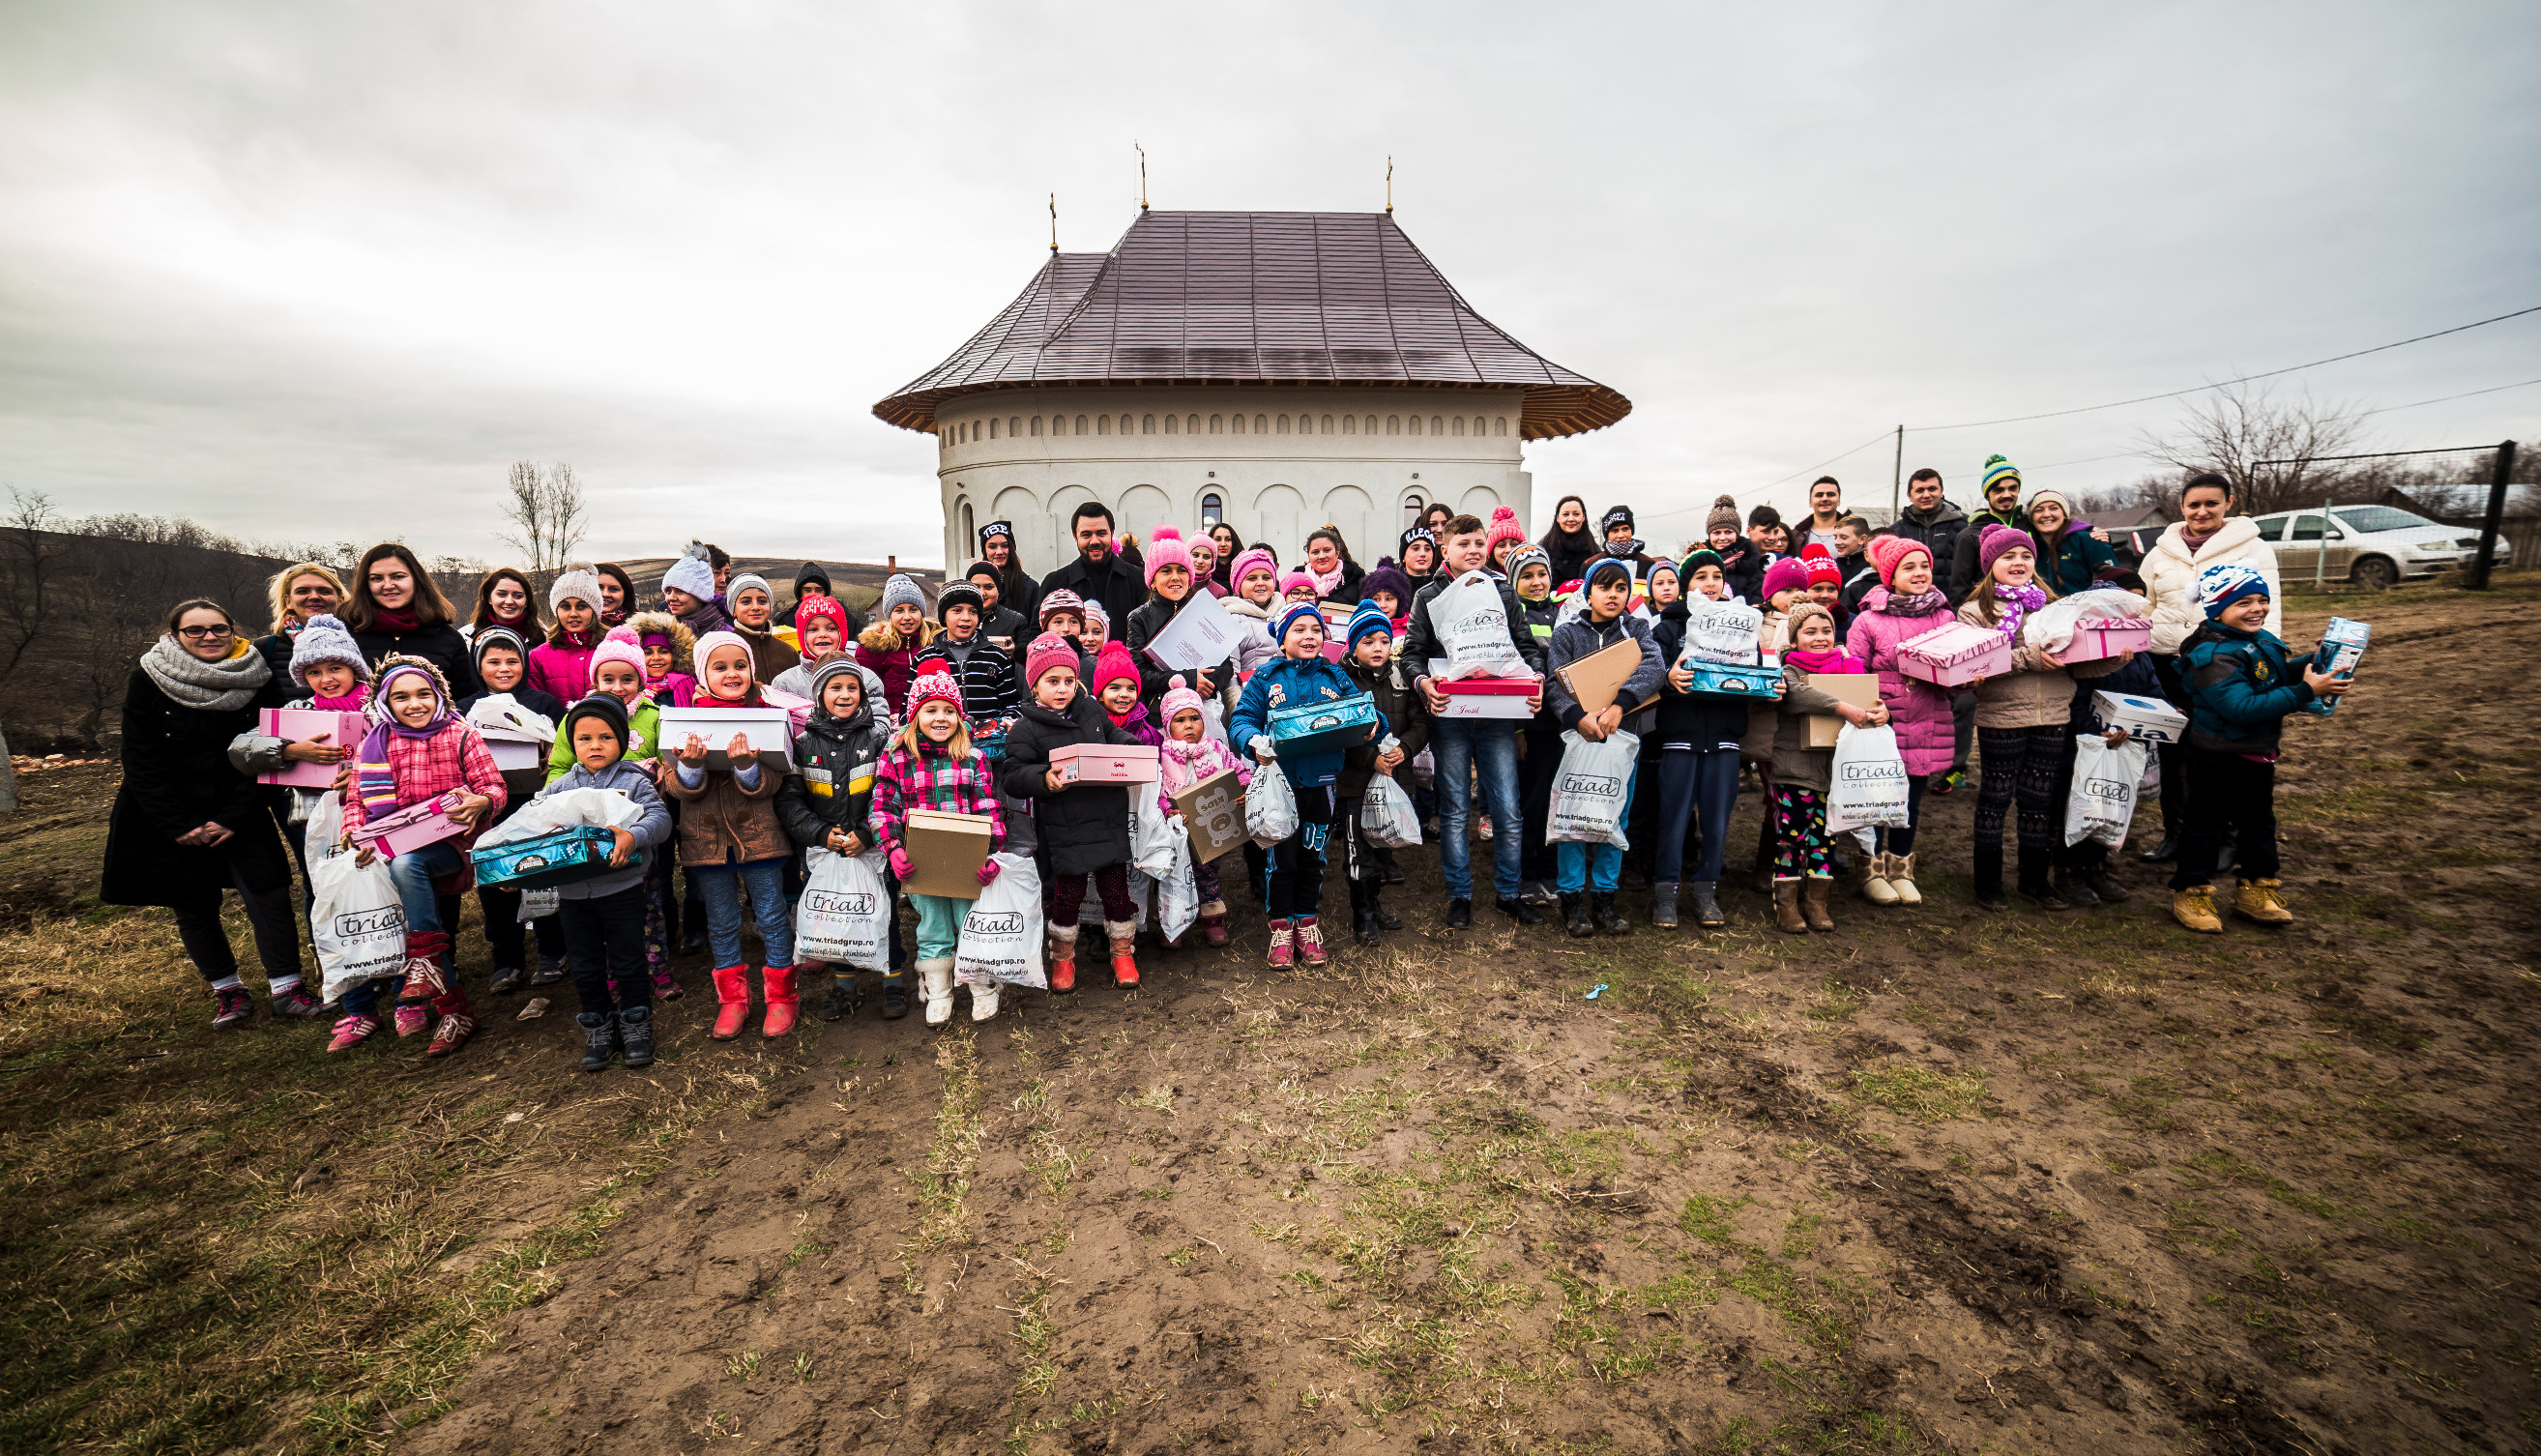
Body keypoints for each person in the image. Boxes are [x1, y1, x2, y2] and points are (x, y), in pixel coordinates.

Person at [107, 597, 308, 1027]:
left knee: (268, 893)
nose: (209, 637)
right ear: (176, 635)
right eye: (195, 630)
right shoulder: (149, 678)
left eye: (218, 628)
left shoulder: (256, 674)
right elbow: (141, 758)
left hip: (240, 803)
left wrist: (234, 816)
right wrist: (179, 823)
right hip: (169, 811)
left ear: (231, 630)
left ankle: (288, 988)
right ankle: (228, 992)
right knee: (193, 903)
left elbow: (270, 745)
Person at [339, 656, 506, 1056]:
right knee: (409, 882)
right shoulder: (375, 743)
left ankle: (430, 974)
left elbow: (494, 787)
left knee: (406, 865)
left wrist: (480, 801)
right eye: (401, 697)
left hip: (453, 846)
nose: (414, 704)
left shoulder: (461, 735)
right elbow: (356, 800)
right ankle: (453, 1008)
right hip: (395, 845)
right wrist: (352, 831)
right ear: (385, 703)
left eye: (422, 694)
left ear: (437, 695)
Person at [1957, 524, 2128, 912]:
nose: (2018, 563)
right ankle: (1988, 882)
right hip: (2002, 716)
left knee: (2039, 801)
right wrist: (2028, 658)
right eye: (2008, 557)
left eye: (2026, 556)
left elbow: (2073, 665)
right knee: (1996, 799)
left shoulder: (2056, 605)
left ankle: (2034, 881)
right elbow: (1975, 664)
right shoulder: (1975, 612)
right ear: (1990, 565)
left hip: (2053, 714)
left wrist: (2106, 658)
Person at [2168, 563, 2347, 932]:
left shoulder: (2260, 640)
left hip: (2257, 753)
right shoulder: (2212, 656)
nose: (2257, 608)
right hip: (2216, 757)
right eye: (2243, 602)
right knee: (2205, 827)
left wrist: (2315, 664)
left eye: (2262, 599)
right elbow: (2241, 708)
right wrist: (2305, 692)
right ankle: (2191, 891)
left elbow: (2274, 676)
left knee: (2258, 825)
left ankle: (2255, 889)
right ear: (2217, 609)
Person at [1401, 514, 1549, 928]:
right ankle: (1460, 896)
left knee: (1507, 807)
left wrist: (1536, 678)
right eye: (1463, 543)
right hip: (1451, 715)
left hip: (1498, 714)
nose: (1473, 550)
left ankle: (1508, 893)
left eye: (1479, 542)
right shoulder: (1429, 595)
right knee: (1453, 810)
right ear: (1444, 549)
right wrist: (1421, 681)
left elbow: (1526, 647)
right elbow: (1412, 652)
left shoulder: (1502, 591)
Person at [2139, 472, 2281, 864]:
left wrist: (2263, 665)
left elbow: (2268, 613)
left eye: (2211, 504)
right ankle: (2177, 834)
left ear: (2228, 503)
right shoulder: (2160, 551)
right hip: (2165, 664)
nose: (2202, 511)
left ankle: (2227, 838)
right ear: (2182, 508)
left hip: (2224, 665)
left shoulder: (2252, 548)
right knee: (2172, 751)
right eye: (2193, 505)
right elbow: (2145, 605)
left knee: (2222, 751)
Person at [666, 631, 802, 1040]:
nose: (732, 674)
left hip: (760, 838)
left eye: (740, 666)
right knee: (721, 921)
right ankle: (733, 1001)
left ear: (753, 671)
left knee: (772, 916)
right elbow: (675, 785)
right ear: (703, 673)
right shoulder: (683, 721)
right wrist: (691, 768)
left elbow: (776, 780)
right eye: (720, 667)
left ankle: (781, 997)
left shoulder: (768, 715)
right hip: (706, 841)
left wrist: (747, 769)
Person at [534, 694, 672, 1072]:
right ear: (572, 743)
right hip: (573, 893)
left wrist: (633, 835)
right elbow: (531, 825)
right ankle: (598, 1026)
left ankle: (636, 1023)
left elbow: (660, 820)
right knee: (585, 963)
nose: (595, 745)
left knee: (628, 959)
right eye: (585, 738)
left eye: (606, 737)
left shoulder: (634, 781)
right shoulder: (558, 788)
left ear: (623, 741)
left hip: (622, 888)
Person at [1230, 601, 1370, 966]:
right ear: (1281, 638)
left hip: (1322, 785)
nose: (1309, 636)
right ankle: (1281, 927)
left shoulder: (1335, 676)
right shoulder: (1265, 677)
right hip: (1281, 787)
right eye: (1299, 629)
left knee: (1313, 857)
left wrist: (1375, 726)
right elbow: (1241, 719)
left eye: (1315, 630)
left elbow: (1363, 712)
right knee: (1281, 860)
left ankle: (1307, 922)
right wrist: (1254, 742)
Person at [1003, 633, 1144, 993]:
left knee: (1116, 887)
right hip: (1064, 823)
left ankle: (1122, 951)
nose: (1062, 688)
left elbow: (1113, 736)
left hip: (1106, 812)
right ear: (1034, 685)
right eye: (1052, 681)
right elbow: (1014, 776)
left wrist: (1131, 749)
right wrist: (1044, 779)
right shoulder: (1025, 729)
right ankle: (1062, 957)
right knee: (1068, 893)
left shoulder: (1092, 710)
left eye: (1069, 680)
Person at [871, 668, 1008, 1024]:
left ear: (959, 717)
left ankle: (982, 985)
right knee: (932, 924)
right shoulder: (897, 756)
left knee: (970, 921)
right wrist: (893, 848)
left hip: (967, 861)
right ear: (915, 716)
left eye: (948, 710)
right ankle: (939, 990)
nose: (940, 718)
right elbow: (883, 806)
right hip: (921, 860)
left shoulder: (973, 759)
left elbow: (988, 808)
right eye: (931, 710)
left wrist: (992, 853)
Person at [556, 626, 684, 1001]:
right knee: (604, 910)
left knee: (648, 907)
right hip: (592, 841)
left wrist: (662, 770)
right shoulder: (574, 721)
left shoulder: (652, 717)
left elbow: (668, 765)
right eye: (607, 678)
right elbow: (557, 771)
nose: (618, 685)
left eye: (627, 678)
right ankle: (615, 974)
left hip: (640, 841)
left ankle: (657, 969)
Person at [776, 654, 905, 1020]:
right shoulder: (802, 745)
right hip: (825, 852)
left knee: (886, 914)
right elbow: (790, 801)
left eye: (853, 687)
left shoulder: (879, 739)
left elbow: (890, 792)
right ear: (819, 695)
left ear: (864, 695)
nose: (845, 694)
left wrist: (867, 833)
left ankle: (893, 980)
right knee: (835, 919)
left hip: (873, 850)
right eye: (836, 687)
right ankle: (844, 984)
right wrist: (819, 833)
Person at [1544, 559, 1662, 935]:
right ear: (1589, 592)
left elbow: (1653, 667)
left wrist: (1619, 706)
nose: (1612, 595)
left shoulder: (1637, 629)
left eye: (1621, 588)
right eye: (1604, 587)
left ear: (1629, 594)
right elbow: (1553, 683)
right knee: (1573, 816)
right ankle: (1572, 901)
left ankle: (1606, 899)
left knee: (1615, 816)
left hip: (1623, 739)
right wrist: (1576, 716)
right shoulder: (1567, 634)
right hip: (1577, 739)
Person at [227, 610, 370, 913]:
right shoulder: (297, 711)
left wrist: (360, 774)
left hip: (373, 815)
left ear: (354, 668)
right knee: (322, 886)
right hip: (314, 822)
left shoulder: (380, 708)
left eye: (335, 668)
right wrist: (290, 750)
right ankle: (327, 953)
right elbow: (240, 748)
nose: (326, 679)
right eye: (314, 672)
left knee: (374, 881)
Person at [1844, 537, 1955, 907]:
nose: (1919, 573)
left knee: (1911, 800)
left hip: (1928, 721)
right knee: (1876, 798)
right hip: (1883, 724)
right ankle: (1872, 870)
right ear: (1890, 575)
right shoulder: (1868, 620)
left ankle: (1901, 869)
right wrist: (1883, 706)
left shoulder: (1945, 616)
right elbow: (1856, 675)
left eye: (1924, 565)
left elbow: (1954, 671)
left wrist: (1969, 676)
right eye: (1909, 567)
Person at [461, 626, 569, 994]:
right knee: (495, 881)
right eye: (493, 661)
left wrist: (550, 757)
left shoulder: (543, 704)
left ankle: (553, 950)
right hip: (488, 810)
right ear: (479, 666)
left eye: (512, 660)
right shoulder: (464, 709)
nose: (504, 668)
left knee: (542, 874)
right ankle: (506, 959)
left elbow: (562, 750)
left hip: (535, 804)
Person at [1648, 550, 1749, 929]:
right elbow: (1650, 674)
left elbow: (1751, 673)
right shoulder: (1668, 628)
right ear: (1685, 585)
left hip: (1724, 738)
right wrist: (1667, 680)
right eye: (1700, 577)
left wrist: (1769, 684)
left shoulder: (1741, 626)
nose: (1710, 583)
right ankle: (1666, 892)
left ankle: (1706, 891)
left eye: (1716, 576)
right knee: (1673, 819)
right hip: (1680, 737)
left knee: (1717, 821)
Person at [1768, 602, 1884, 933]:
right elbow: (1798, 695)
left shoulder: (1849, 669)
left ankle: (1817, 903)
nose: (1820, 637)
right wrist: (1843, 707)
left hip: (1835, 771)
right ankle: (1786, 904)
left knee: (1825, 837)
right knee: (1792, 837)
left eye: (1827, 631)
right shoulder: (1787, 670)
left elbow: (1869, 701)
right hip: (1796, 770)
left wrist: (1881, 712)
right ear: (1794, 638)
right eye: (1810, 632)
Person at [1333, 601, 1423, 946]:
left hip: (1395, 779)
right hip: (1355, 783)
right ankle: (1364, 915)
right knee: (1360, 852)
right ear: (1353, 646)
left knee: (1385, 844)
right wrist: (1371, 759)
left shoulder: (1401, 678)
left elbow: (1421, 722)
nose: (1377, 648)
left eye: (1384, 641)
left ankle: (1376, 904)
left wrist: (1406, 748)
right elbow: (1338, 732)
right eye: (1368, 641)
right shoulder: (1341, 682)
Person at [1886, 469, 1976, 796]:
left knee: (1961, 699)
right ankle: (1911, 762)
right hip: (1906, 618)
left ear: (1942, 491)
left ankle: (1956, 766)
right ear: (1910, 494)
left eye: (1932, 488)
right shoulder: (1899, 530)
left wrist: (1958, 608)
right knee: (1915, 695)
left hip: (1951, 616)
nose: (1926, 494)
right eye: (1919, 489)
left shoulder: (1961, 527)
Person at [1154, 675, 1250, 946]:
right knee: (1175, 876)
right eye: (1180, 720)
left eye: (1194, 719)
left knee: (1208, 874)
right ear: (1167, 724)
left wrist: (1242, 788)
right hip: (1177, 830)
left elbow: (1238, 771)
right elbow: (1157, 794)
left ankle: (1212, 921)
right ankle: (1175, 925)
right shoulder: (1164, 756)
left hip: (1210, 829)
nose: (1188, 726)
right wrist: (1168, 813)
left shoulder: (1216, 749)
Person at [1505, 544, 1564, 905]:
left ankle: (1550, 870)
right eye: (1527, 575)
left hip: (1563, 723)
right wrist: (1516, 729)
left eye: (1541, 573)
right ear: (1514, 582)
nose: (1536, 581)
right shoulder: (1513, 616)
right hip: (1530, 726)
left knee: (1557, 799)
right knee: (1530, 801)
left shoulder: (1564, 613)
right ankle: (1526, 874)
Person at [344, 543, 476, 696]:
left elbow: (465, 698)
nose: (387, 585)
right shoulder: (346, 635)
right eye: (376, 578)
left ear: (416, 580)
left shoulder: (447, 638)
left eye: (398, 576)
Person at [1124, 527, 1233, 706]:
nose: (1175, 577)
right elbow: (1138, 674)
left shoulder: (1203, 610)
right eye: (1166, 571)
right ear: (1152, 579)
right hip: (1159, 712)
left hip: (1203, 707)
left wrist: (1206, 683)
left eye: (1182, 571)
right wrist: (1188, 680)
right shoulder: (1139, 617)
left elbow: (1227, 666)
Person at [915, 581, 1024, 754]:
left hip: (989, 746)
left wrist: (1007, 721)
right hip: (941, 748)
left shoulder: (996, 655)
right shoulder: (925, 657)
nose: (966, 617)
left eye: (973, 611)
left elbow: (1011, 701)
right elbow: (911, 708)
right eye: (957, 610)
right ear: (944, 616)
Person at [1039, 503, 1146, 628]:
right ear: (1075, 537)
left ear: (1112, 533)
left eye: (1101, 533)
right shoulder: (1054, 583)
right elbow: (1038, 637)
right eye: (1086, 534)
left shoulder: (1140, 579)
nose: (1094, 541)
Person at [1946, 455, 2032, 603]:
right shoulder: (1969, 535)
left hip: (2033, 612)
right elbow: (1959, 590)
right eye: (1998, 490)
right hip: (1988, 615)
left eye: (2013, 488)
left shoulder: (2031, 526)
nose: (2007, 494)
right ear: (1987, 494)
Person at [250, 562, 348, 682]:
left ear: (341, 599)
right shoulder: (265, 647)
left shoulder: (363, 641)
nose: (314, 597)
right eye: (302, 591)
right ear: (288, 602)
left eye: (324, 591)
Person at [856, 573, 936, 716]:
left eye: (913, 609)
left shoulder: (934, 644)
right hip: (888, 725)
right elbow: (864, 695)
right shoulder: (873, 649)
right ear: (889, 615)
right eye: (899, 610)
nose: (907, 617)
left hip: (928, 723)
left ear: (922, 613)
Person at [526, 566, 604, 704]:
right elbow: (536, 706)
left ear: (594, 610)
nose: (573, 614)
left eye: (581, 606)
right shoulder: (538, 657)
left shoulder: (610, 649)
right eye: (566, 606)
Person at [2026, 491, 2118, 597]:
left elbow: (2113, 585)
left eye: (2053, 508)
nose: (2046, 514)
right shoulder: (2031, 550)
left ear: (2064, 514)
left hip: (2089, 610)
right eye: (2039, 510)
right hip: (2050, 611)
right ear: (2032, 519)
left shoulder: (2090, 540)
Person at [771, 592, 855, 699]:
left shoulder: (864, 679)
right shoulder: (784, 684)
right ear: (802, 636)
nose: (823, 634)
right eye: (813, 629)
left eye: (831, 628)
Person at [726, 572, 799, 684]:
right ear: (733, 610)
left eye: (762, 601)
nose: (755, 607)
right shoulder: (725, 650)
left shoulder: (788, 652)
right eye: (746, 602)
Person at [628, 611, 697, 709]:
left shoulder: (685, 685)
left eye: (664, 651)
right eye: (648, 653)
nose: (656, 657)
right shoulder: (628, 687)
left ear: (676, 655)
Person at [978, 521, 1042, 626]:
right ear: (985, 551)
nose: (999, 552)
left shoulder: (1030, 588)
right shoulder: (975, 589)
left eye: (1004, 545)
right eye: (992, 546)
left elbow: (1035, 630)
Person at [661, 540, 731, 635]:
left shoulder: (726, 635)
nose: (671, 598)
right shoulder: (660, 633)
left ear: (700, 595)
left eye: (680, 591)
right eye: (668, 591)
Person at [462, 567, 540, 647]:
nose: (509, 601)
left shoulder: (545, 640)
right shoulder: (465, 638)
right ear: (489, 598)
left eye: (518, 596)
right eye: (502, 594)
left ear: (527, 601)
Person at [962, 561, 1033, 641]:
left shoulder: (1016, 621)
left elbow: (1024, 650)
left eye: (988, 587)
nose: (982, 593)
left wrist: (1014, 651)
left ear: (998, 590)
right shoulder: (956, 618)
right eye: (976, 587)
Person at [1537, 495, 1598, 588]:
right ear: (1557, 518)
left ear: (1583, 517)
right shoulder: (1543, 548)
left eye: (1576, 514)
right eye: (1565, 514)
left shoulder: (1594, 550)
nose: (1571, 519)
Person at [1728, 506, 1785, 603]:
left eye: (1775, 532)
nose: (1772, 537)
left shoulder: (1777, 563)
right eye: (1766, 531)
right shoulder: (1735, 561)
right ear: (1749, 531)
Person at [1299, 526, 1365, 603]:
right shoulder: (1297, 579)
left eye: (1327, 550)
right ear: (1309, 555)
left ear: (1337, 552)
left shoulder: (1357, 578)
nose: (1322, 556)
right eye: (1315, 552)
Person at [1594, 506, 1655, 577]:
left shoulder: (1648, 564)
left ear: (1631, 531)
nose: (1620, 535)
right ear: (1607, 535)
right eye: (1614, 531)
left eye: (1625, 529)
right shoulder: (1593, 564)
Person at [775, 562, 833, 631]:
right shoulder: (785, 621)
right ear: (800, 593)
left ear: (825, 593)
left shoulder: (838, 618)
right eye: (808, 590)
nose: (813, 595)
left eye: (818, 590)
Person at [1799, 478, 1846, 553]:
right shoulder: (1796, 536)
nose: (1824, 499)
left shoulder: (1857, 533)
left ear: (1839, 500)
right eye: (1819, 495)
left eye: (1831, 495)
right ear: (1810, 502)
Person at [1483, 507, 1531, 578]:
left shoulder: (1532, 576)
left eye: (1514, 544)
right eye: (1501, 545)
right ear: (1492, 551)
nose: (1508, 550)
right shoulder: (1483, 581)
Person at [594, 562, 638, 627]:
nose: (605, 594)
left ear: (625, 594)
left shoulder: (642, 631)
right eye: (599, 588)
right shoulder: (574, 629)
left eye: (614, 589)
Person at [1205, 522, 1246, 593]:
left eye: (1227, 539)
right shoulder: (1204, 572)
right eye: (1218, 539)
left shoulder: (1244, 570)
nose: (1223, 544)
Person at [1185, 534, 1228, 600]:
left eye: (1206, 557)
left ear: (1213, 561)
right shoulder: (1178, 587)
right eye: (1195, 555)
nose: (1200, 561)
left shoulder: (1220, 593)